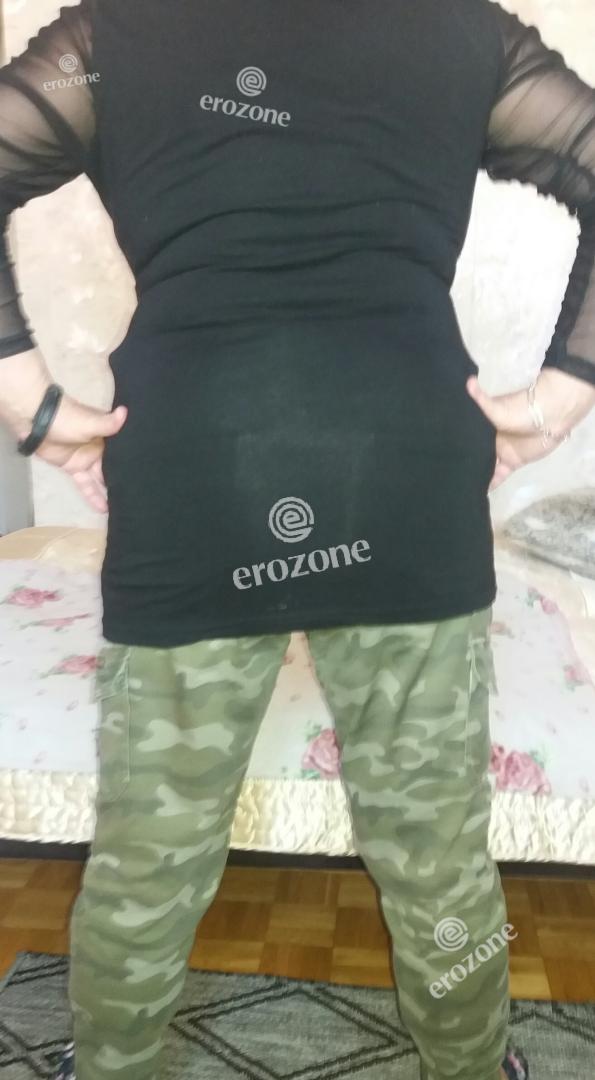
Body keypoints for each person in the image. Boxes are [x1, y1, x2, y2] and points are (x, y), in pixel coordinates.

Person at [0, 0, 594, 1077]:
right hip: (402, 465)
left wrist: (22, 389)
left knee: (151, 856)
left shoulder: (112, 34)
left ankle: (113, 1066)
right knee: (434, 852)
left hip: (198, 467)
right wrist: (564, 392)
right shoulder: (464, 31)